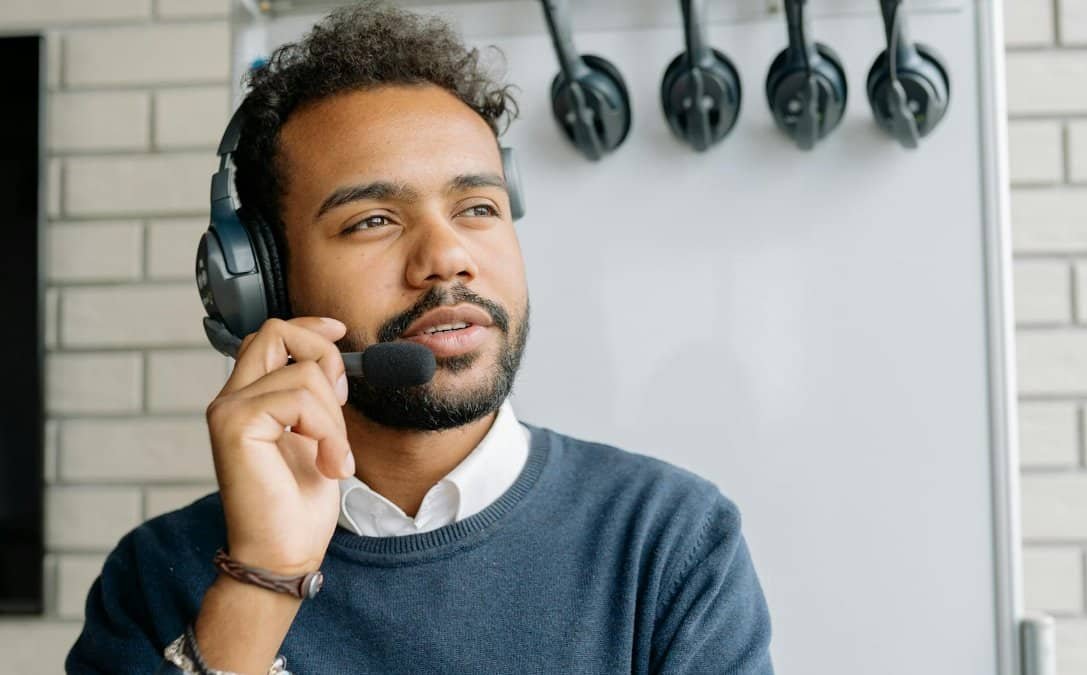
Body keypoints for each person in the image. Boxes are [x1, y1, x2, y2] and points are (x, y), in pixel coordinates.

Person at [65, 5, 772, 673]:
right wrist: (263, 579)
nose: (448, 255)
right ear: (264, 287)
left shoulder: (670, 542)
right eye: (373, 219)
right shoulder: (156, 575)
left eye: (477, 207)